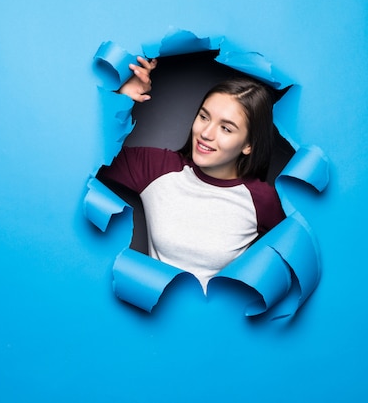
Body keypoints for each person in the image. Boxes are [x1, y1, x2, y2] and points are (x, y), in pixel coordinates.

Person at [98, 56, 286, 292]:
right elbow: (93, 157)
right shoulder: (157, 168)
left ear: (248, 145)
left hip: (216, 326)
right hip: (148, 316)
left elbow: (295, 256)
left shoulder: (263, 200)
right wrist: (123, 98)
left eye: (226, 128)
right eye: (204, 117)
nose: (206, 133)